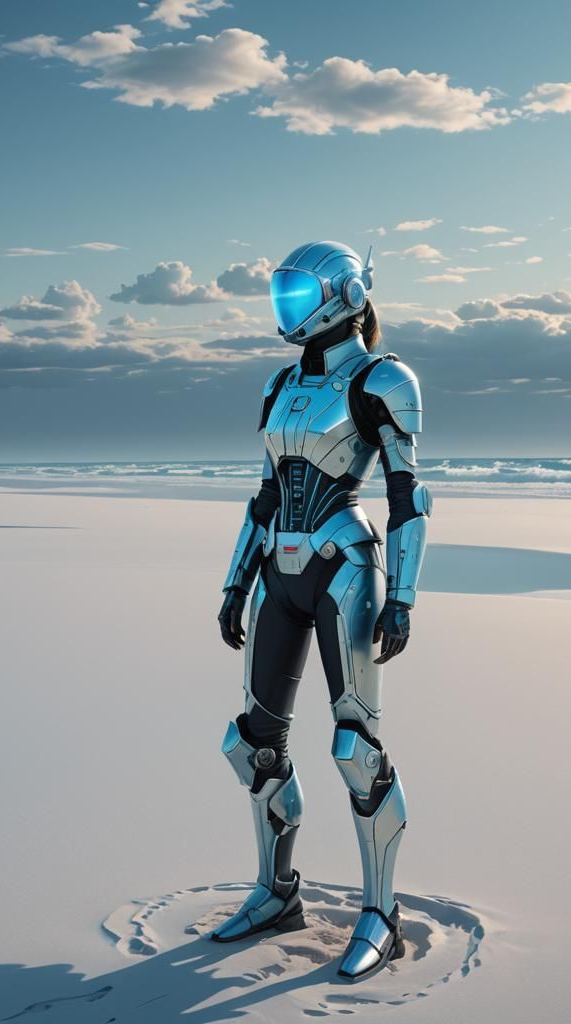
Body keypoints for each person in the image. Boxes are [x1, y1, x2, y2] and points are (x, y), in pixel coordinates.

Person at [213, 241, 431, 982]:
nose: (289, 309)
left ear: (342, 295)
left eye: (301, 294)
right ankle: (277, 893)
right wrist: (234, 583)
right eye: (284, 294)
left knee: (356, 749)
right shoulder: (279, 384)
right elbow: (266, 493)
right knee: (252, 743)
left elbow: (409, 498)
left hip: (344, 568)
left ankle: (382, 914)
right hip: (279, 569)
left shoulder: (382, 378)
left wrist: (401, 597)